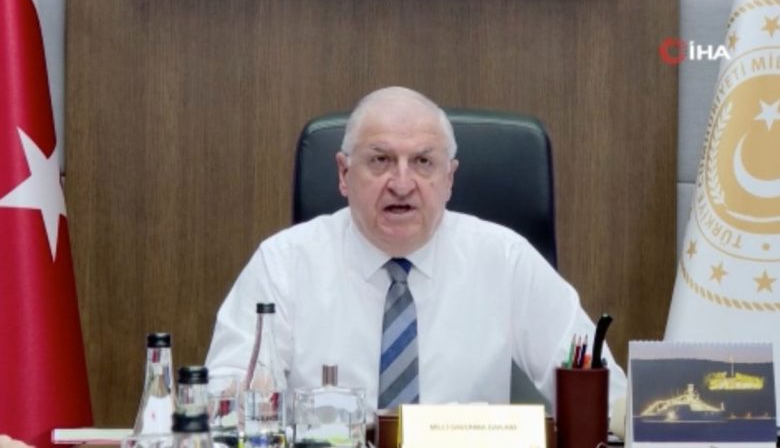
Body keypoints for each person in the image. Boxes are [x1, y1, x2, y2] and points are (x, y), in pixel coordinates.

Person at [205, 86, 627, 414]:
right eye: (381, 160)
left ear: (450, 179)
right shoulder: (282, 265)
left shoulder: (505, 260)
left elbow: (609, 400)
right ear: (344, 173)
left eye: (423, 162)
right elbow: (225, 404)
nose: (402, 184)